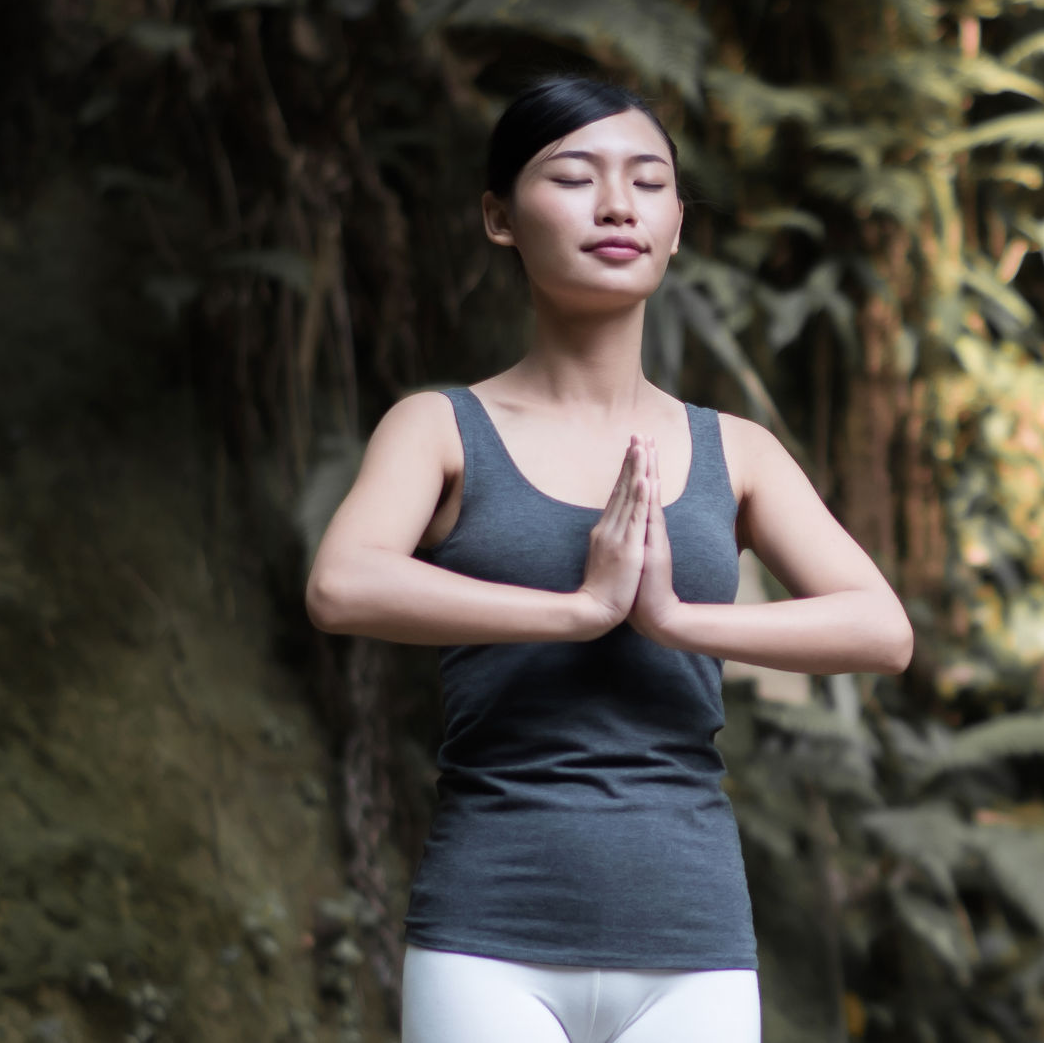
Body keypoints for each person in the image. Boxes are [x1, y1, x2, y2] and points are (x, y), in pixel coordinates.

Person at [305, 75, 914, 1043]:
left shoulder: (736, 449)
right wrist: (577, 608)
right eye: (575, 176)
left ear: (675, 225)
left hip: (695, 941)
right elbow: (342, 582)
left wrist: (675, 620)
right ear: (500, 217)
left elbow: (882, 629)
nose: (618, 204)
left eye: (649, 180)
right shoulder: (441, 428)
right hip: (486, 933)